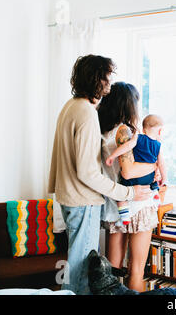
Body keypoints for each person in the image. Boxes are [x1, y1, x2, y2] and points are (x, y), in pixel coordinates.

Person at [48, 55, 155, 295]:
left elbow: (58, 157)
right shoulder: (86, 113)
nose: (110, 82)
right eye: (107, 76)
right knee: (82, 269)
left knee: (82, 265)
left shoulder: (71, 106)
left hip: (68, 197)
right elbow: (88, 172)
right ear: (96, 78)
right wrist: (129, 192)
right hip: (82, 200)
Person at [97, 82, 161, 292]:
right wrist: (155, 165)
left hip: (116, 205)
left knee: (112, 274)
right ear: (129, 104)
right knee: (136, 272)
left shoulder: (104, 131)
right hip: (138, 203)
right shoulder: (124, 131)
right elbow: (129, 171)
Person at [105, 114, 167, 225]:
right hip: (149, 178)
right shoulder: (158, 145)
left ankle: (124, 217)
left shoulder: (138, 137)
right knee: (154, 181)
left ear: (143, 129)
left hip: (135, 177)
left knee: (121, 194)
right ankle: (155, 193)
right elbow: (161, 164)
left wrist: (113, 156)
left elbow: (127, 147)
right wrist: (164, 178)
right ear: (160, 131)